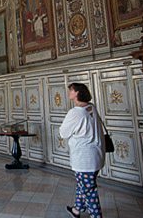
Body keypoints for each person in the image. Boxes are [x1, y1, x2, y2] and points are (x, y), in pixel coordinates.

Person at [60, 83, 105, 218]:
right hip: (96, 155)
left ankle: (96, 216)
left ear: (77, 93)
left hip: (84, 158)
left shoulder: (75, 112)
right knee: (83, 185)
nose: (68, 92)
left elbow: (63, 133)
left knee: (89, 191)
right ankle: (76, 210)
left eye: (71, 90)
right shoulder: (91, 108)